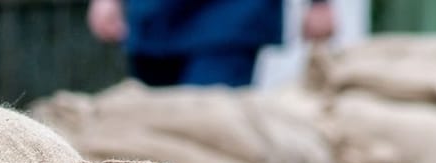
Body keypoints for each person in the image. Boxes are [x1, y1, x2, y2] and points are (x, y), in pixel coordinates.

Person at [87, 0, 336, 88]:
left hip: (230, 17)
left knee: (207, 127)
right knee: (152, 130)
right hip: (154, 18)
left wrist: (320, 3)